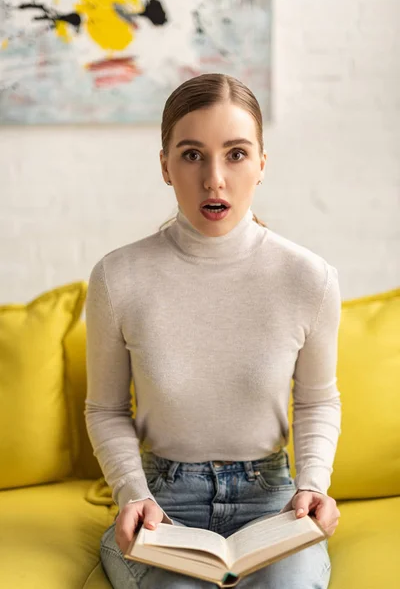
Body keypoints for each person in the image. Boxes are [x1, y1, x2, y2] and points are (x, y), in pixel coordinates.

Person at [85, 72, 341, 589]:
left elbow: (317, 401)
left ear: (263, 164)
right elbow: (106, 409)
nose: (215, 179)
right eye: (192, 154)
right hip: (161, 505)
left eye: (237, 154)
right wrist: (134, 494)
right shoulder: (118, 277)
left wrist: (313, 484)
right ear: (165, 166)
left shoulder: (309, 278)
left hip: (272, 502)